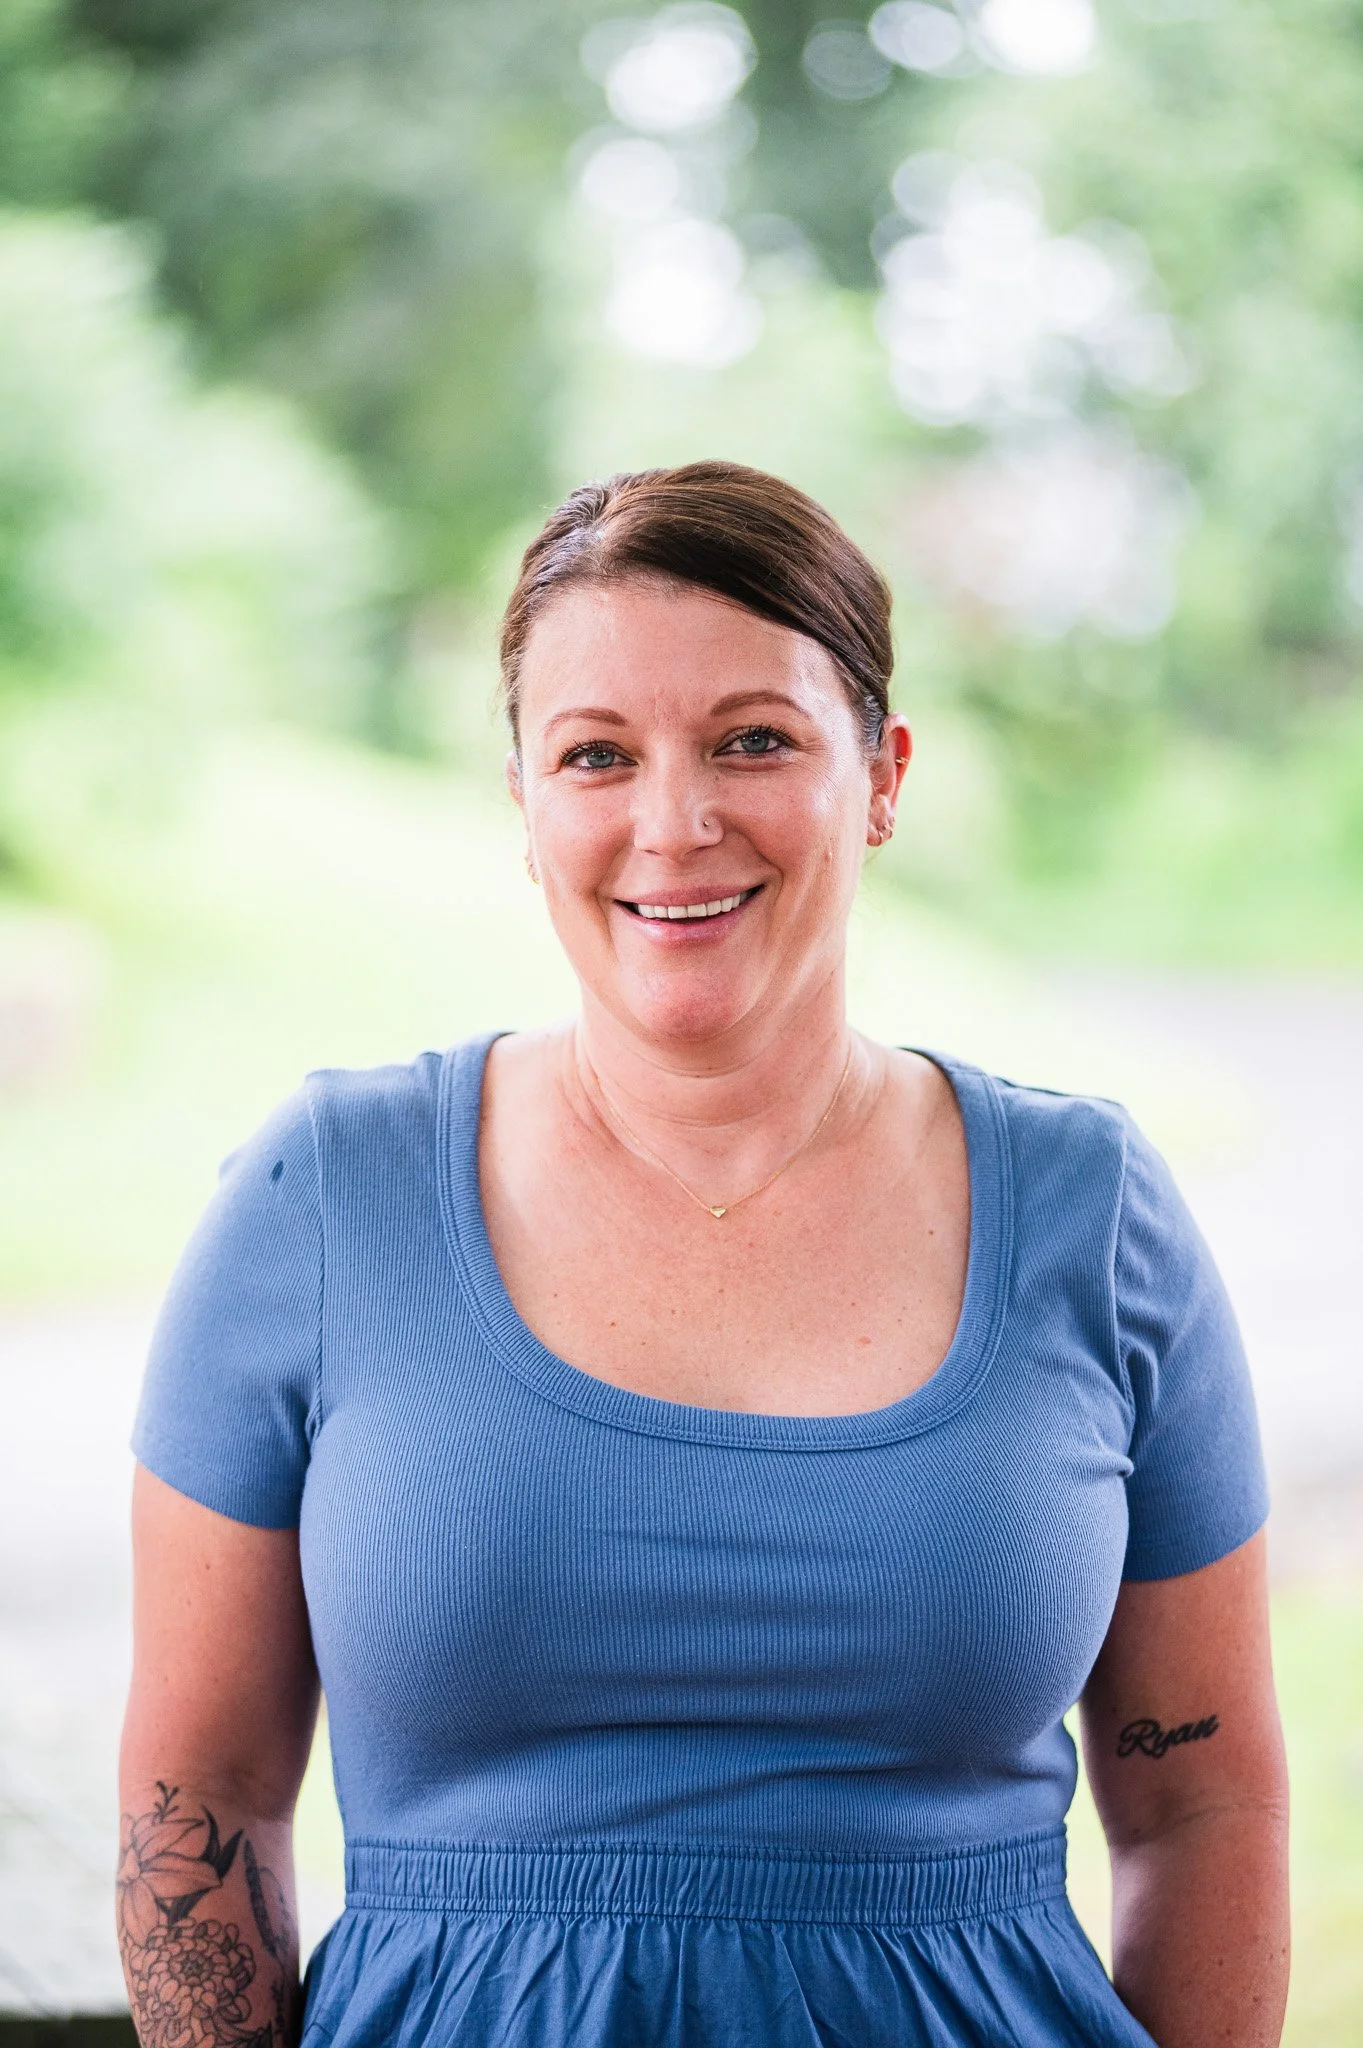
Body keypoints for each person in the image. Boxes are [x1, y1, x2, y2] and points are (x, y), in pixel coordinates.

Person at [120, 461, 1289, 2048]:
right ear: (526, 805)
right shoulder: (320, 1195)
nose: (674, 823)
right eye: (595, 754)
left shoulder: (1093, 1213)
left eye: (753, 740)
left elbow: (1203, 1805)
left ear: (878, 774)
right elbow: (203, 1791)